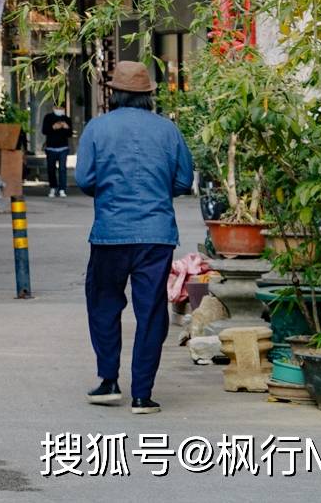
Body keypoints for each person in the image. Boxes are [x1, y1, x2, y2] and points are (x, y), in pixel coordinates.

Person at [73, 60, 194, 416]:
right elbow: (184, 181)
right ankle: (143, 395)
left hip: (110, 234)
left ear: (115, 93)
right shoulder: (168, 131)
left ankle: (108, 380)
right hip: (156, 236)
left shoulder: (98, 128)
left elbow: (85, 180)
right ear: (148, 96)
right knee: (152, 310)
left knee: (104, 303)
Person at [42, 105, 75, 197]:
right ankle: (53, 187)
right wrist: (53, 127)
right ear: (53, 108)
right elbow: (44, 131)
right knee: (51, 169)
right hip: (51, 148)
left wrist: (66, 127)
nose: (59, 110)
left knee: (62, 169)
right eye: (58, 108)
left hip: (63, 148)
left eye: (61, 108)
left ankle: (62, 189)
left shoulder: (66, 119)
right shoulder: (48, 118)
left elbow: (70, 133)